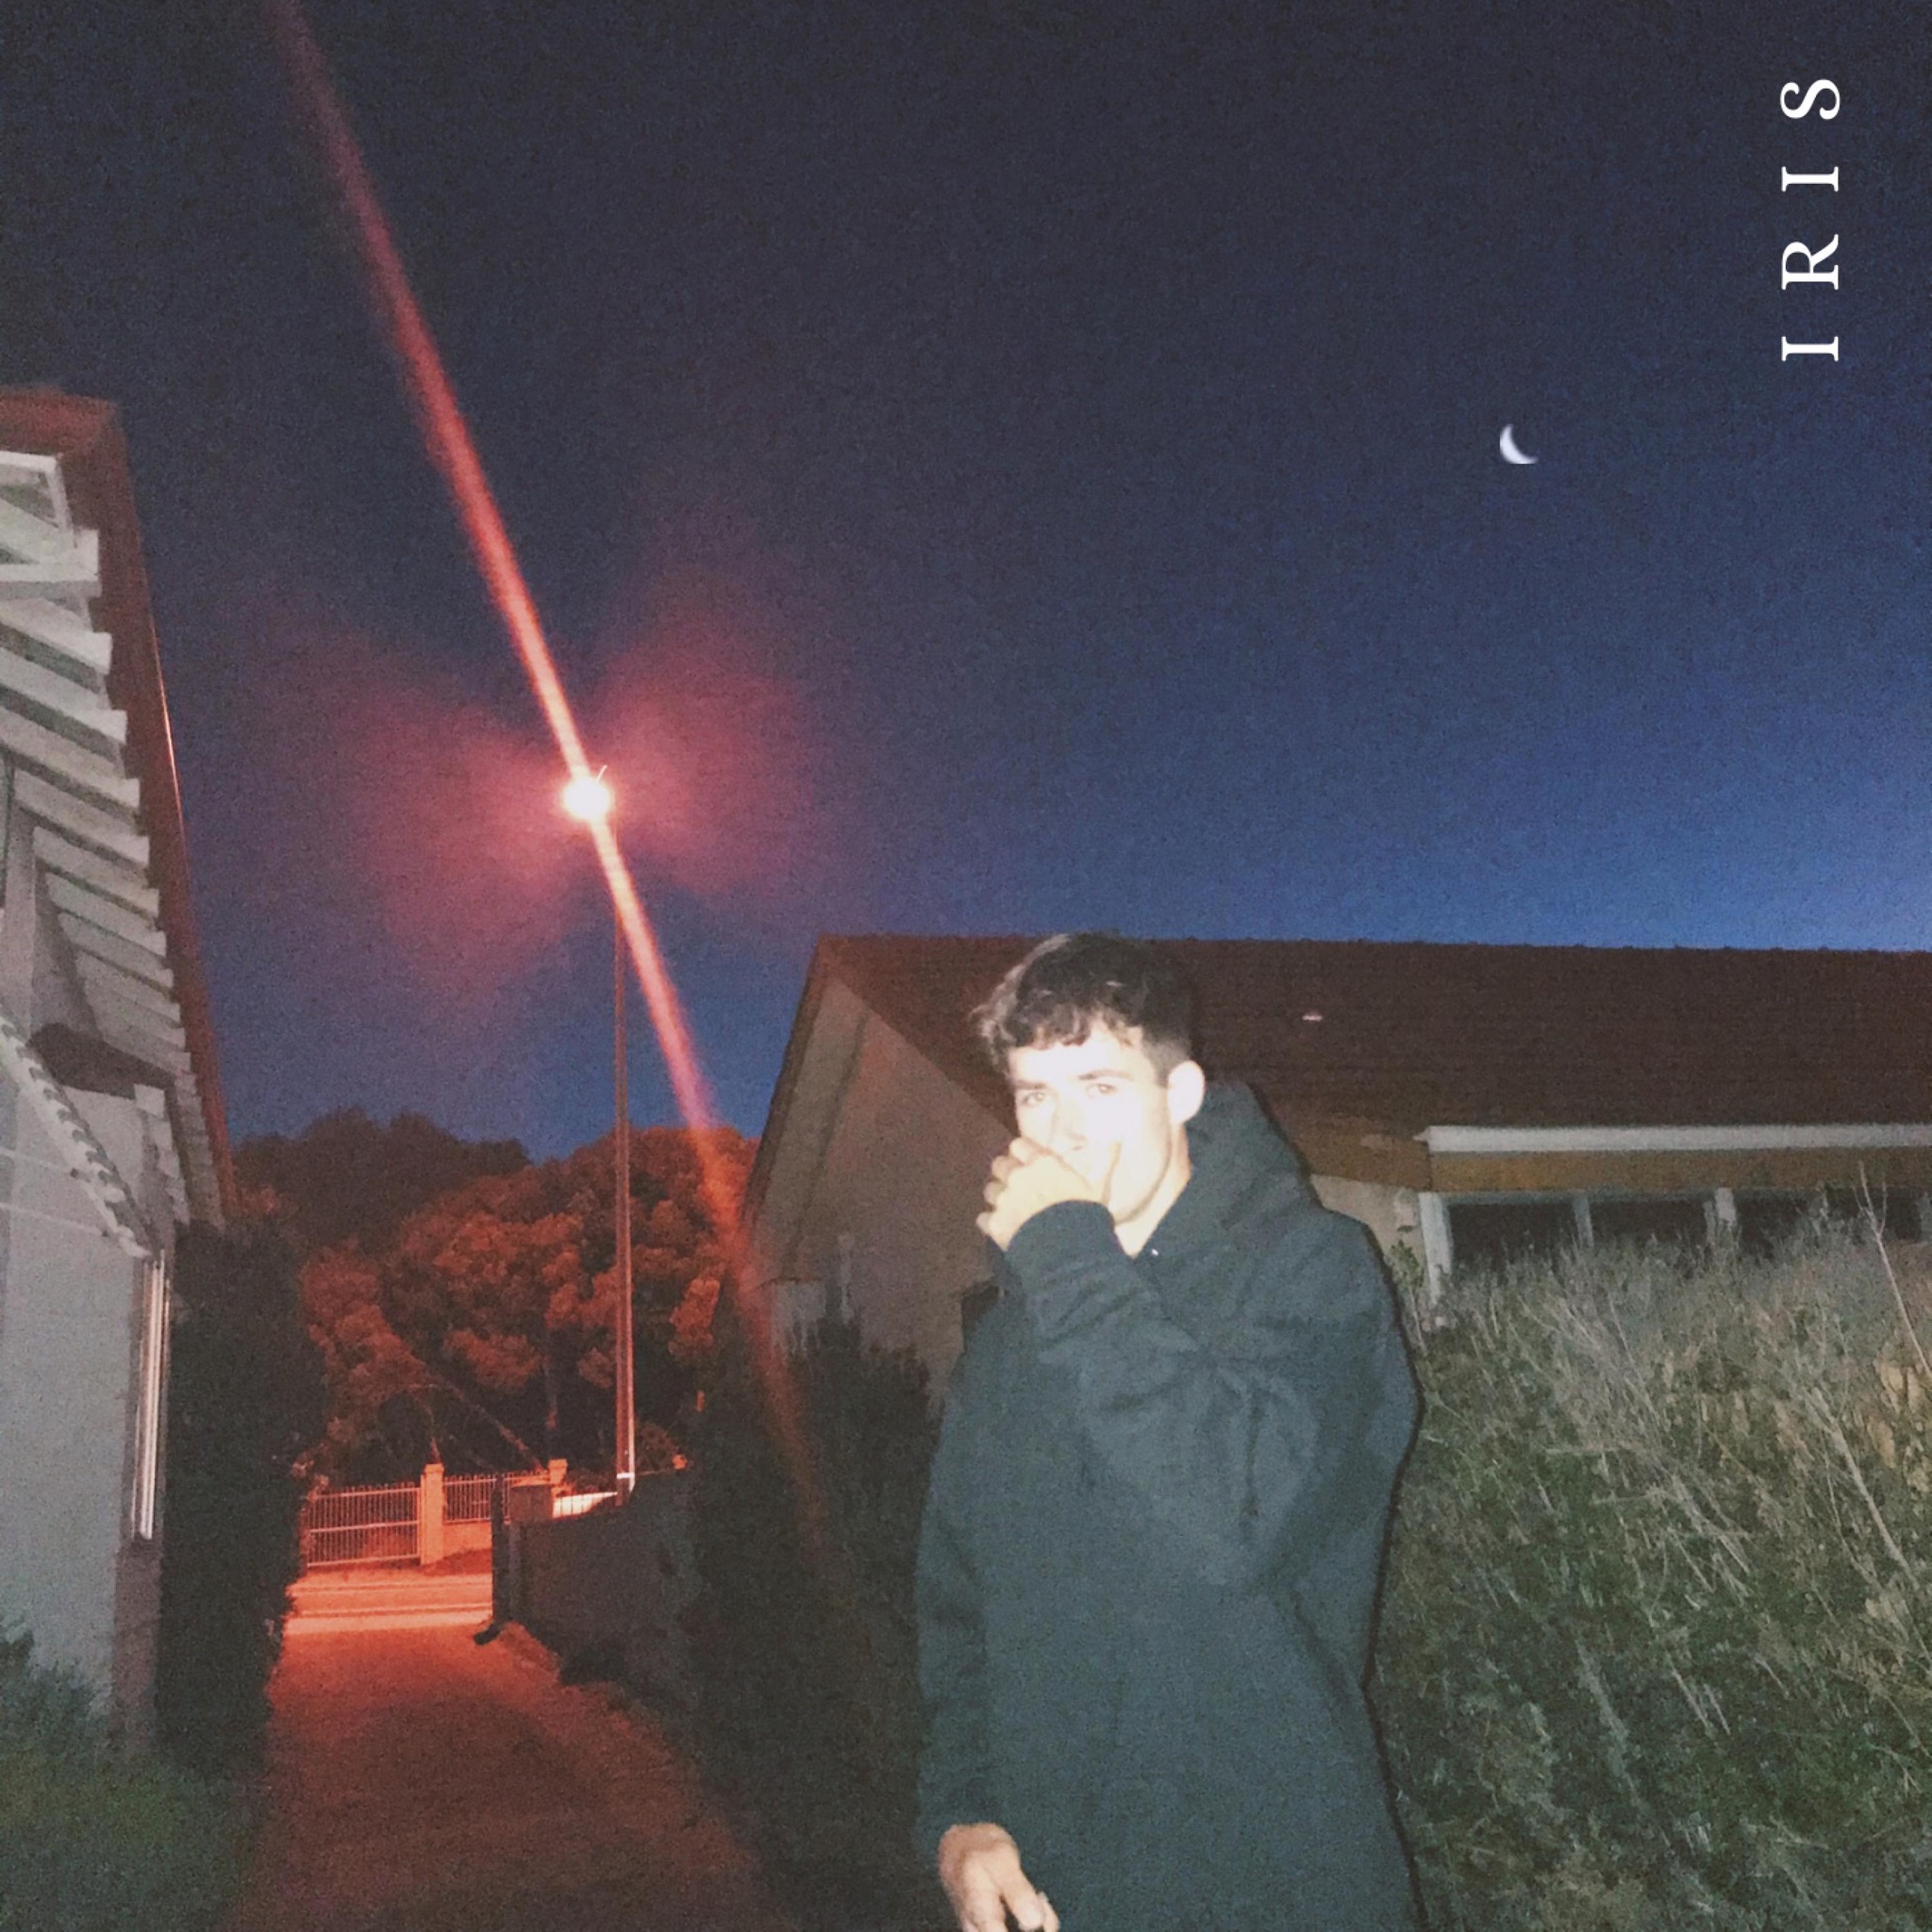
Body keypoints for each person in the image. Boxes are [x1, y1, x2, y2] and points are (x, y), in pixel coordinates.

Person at [914, 932, 1419, 1932]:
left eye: (1099, 1086)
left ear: (1180, 1092)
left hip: (1279, 1887)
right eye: (1033, 1095)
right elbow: (960, 1613)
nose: (1061, 1132)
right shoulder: (1008, 1344)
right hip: (1060, 1895)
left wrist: (1064, 1257)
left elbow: (1242, 1516)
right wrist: (959, 1814)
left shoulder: (1313, 1273)